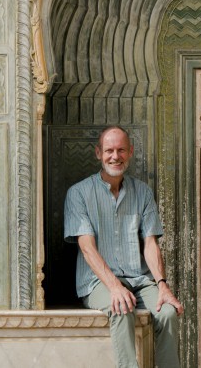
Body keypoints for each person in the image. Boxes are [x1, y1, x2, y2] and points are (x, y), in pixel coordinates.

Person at [64, 125, 183, 368]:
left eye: (121, 150)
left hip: (139, 279)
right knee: (121, 307)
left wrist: (162, 285)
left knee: (169, 312)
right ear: (98, 153)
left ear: (130, 153)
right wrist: (114, 286)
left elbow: (150, 243)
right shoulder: (78, 193)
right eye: (109, 150)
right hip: (97, 282)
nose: (115, 156)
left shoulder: (143, 192)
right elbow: (87, 248)